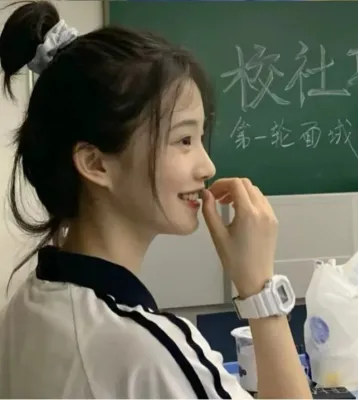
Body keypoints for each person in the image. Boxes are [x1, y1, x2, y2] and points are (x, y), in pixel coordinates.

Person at [0, 1, 311, 398]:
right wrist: (260, 291)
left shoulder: (28, 303)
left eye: (200, 138)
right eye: (184, 140)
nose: (207, 166)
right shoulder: (148, 354)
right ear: (95, 163)